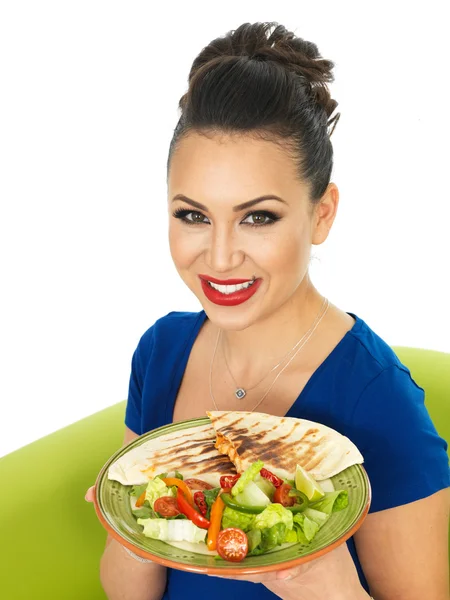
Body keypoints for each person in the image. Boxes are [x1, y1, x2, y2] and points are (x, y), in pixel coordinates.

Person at [85, 21, 450, 600]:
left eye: (258, 217)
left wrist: (316, 579)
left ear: (322, 213)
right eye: (193, 215)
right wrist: (130, 525)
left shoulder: (378, 402)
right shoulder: (162, 353)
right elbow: (131, 591)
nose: (221, 256)